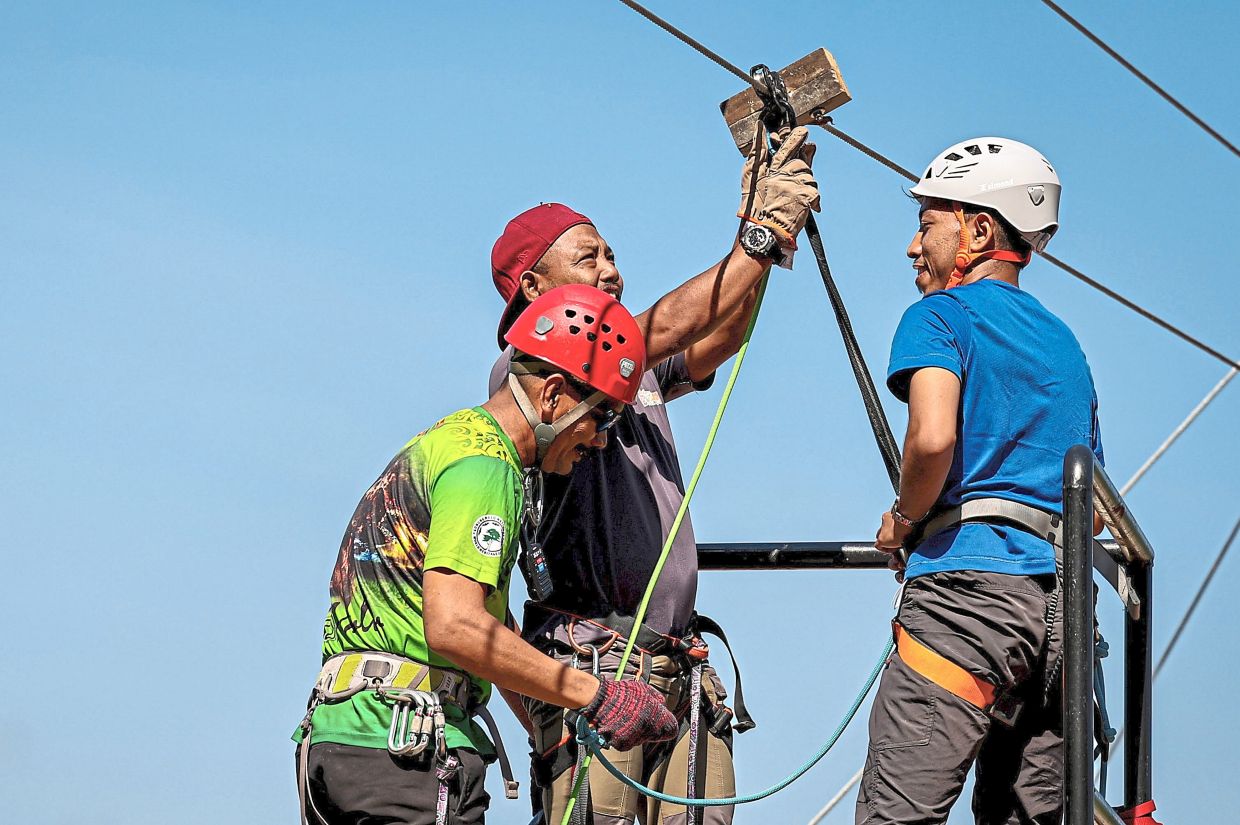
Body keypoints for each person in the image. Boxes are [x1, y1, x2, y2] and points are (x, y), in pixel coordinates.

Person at [487, 126, 820, 825]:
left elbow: (717, 334)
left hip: (672, 663)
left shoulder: (629, 371)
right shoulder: (535, 370)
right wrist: (756, 236)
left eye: (612, 253)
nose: (610, 268)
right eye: (590, 257)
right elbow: (665, 328)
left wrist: (763, 242)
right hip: (597, 661)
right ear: (533, 287)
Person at [294, 285, 680, 825]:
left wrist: (549, 723)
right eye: (604, 418)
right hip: (405, 754)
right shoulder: (487, 467)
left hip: (343, 744)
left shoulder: (451, 441)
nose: (600, 443)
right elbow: (455, 627)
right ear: (551, 395)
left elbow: (481, 635)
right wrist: (594, 692)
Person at [855, 137, 1106, 825]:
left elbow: (932, 438)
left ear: (979, 229)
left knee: (896, 816)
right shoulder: (1066, 347)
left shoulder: (939, 317)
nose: (913, 246)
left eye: (927, 222)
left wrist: (905, 519)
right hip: (1061, 625)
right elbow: (1095, 516)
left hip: (966, 608)